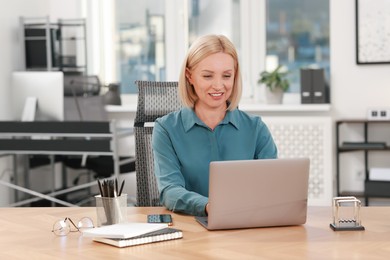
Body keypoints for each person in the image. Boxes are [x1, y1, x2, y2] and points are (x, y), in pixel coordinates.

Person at [152, 34, 278, 216]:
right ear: (189, 76)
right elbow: (170, 191)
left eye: (227, 76)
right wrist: (210, 206)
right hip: (192, 229)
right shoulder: (166, 129)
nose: (218, 86)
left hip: (247, 226)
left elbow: (272, 186)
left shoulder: (256, 128)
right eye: (207, 76)